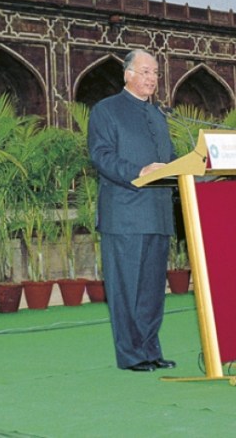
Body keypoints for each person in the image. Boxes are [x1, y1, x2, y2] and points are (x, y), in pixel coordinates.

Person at [87, 48, 176, 372]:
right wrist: (137, 172)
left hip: (158, 214)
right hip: (125, 215)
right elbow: (101, 155)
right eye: (145, 72)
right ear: (127, 74)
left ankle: (151, 349)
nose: (152, 78)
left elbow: (172, 160)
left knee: (152, 290)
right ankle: (131, 355)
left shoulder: (158, 115)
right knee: (127, 288)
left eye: (155, 73)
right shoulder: (107, 110)